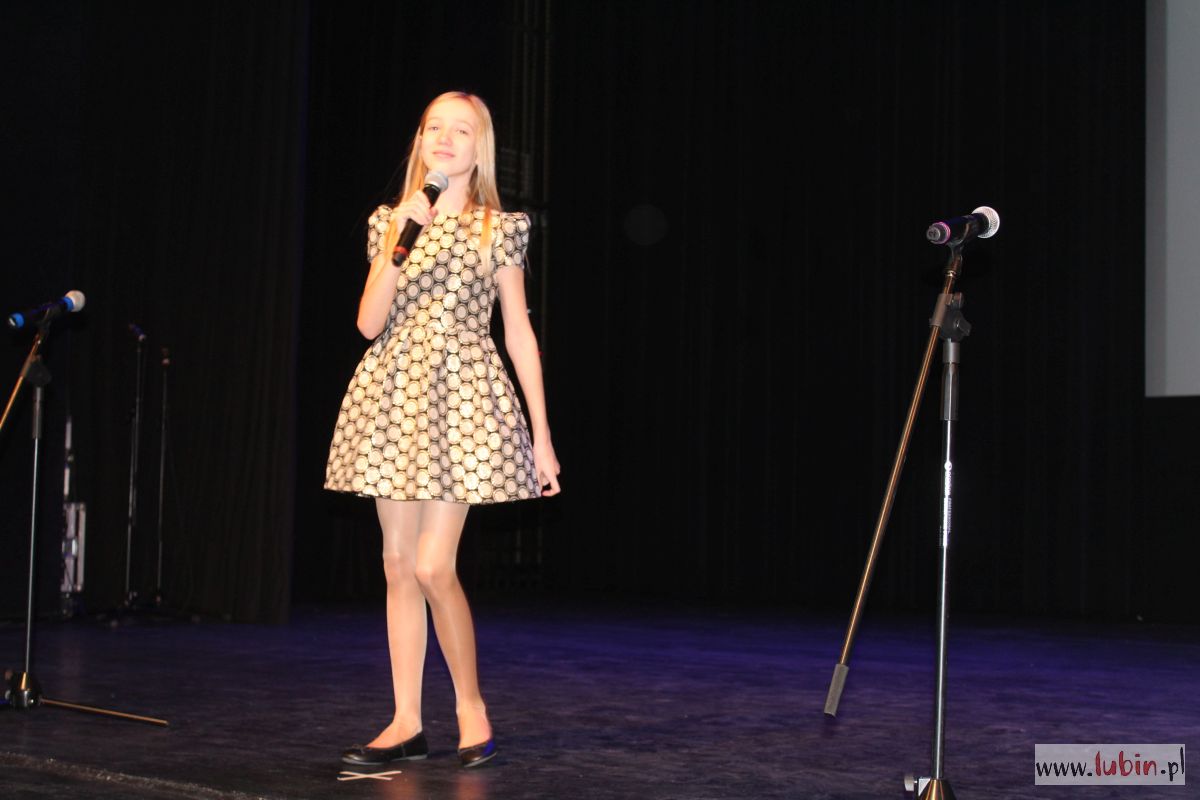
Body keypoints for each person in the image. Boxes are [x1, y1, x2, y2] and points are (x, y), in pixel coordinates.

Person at [324, 90, 561, 769]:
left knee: (433, 565)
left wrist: (541, 434)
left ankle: (470, 706)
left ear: (479, 148)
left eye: (461, 130)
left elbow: (518, 332)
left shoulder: (498, 228)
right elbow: (368, 323)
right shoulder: (391, 221)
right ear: (420, 140)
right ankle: (405, 721)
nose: (446, 138)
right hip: (393, 393)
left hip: (461, 396)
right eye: (435, 127)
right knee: (398, 564)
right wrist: (399, 240)